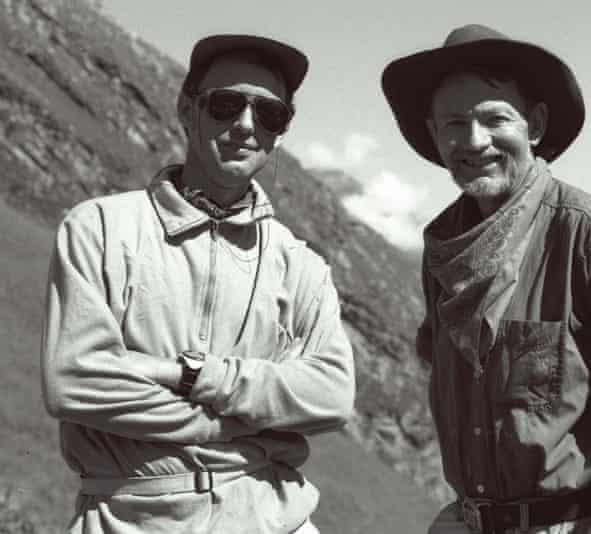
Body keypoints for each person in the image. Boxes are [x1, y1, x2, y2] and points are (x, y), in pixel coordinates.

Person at [382, 24, 591, 534]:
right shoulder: (444, 246)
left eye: (495, 118)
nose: (473, 141)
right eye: (454, 123)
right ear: (433, 133)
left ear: (533, 125)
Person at [41, 34, 355, 534]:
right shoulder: (99, 228)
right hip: (128, 519)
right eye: (227, 104)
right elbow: (76, 383)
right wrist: (240, 421)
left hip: (274, 519)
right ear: (187, 110)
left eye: (270, 114)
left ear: (280, 132)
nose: (246, 125)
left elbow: (332, 397)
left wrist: (186, 374)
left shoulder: (302, 266)